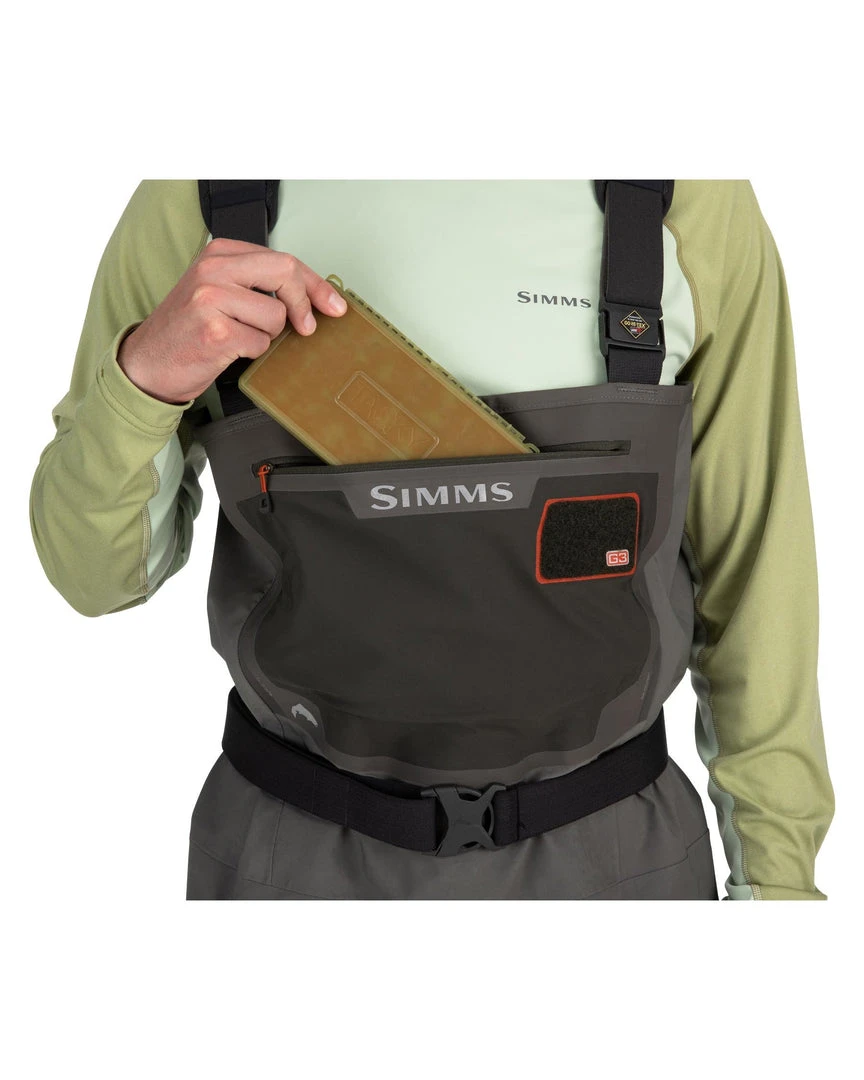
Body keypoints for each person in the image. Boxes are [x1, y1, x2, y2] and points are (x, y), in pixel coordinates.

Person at [29, 179, 834, 900]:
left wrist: (779, 885)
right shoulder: (195, 193)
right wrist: (144, 378)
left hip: (617, 861)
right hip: (288, 864)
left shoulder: (686, 192)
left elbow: (758, 574)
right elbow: (96, 578)